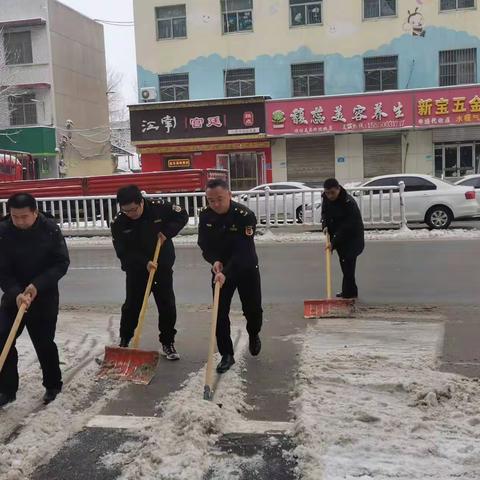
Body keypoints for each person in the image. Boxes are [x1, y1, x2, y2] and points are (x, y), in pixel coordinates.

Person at [0, 193, 70, 407]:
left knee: (43, 342)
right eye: (15, 217)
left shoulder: (49, 229)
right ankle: (7, 389)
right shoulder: (3, 232)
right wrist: (16, 292)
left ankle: (52, 385)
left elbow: (61, 263)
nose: (20, 221)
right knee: (3, 338)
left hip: (44, 294)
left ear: (35, 212)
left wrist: (37, 286)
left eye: (24, 216)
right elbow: (2, 270)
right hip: (14, 296)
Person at [111, 185, 188, 360]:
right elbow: (122, 251)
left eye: (133, 209)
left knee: (166, 304)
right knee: (132, 305)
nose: (130, 214)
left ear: (141, 202)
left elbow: (182, 215)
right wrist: (143, 263)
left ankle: (167, 342)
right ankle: (125, 340)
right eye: (125, 211)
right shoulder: (119, 222)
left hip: (162, 264)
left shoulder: (159, 208)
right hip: (137, 269)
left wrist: (167, 232)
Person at [198, 179, 262, 374]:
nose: (215, 204)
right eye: (211, 201)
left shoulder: (245, 216)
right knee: (219, 313)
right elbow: (204, 244)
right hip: (220, 272)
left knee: (252, 310)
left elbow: (242, 251)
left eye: (220, 199)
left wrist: (226, 271)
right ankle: (227, 354)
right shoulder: (206, 216)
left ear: (229, 195)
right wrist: (214, 260)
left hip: (245, 268)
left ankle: (253, 333)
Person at [321, 178, 365, 300]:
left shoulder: (348, 203)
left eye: (332, 193)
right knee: (345, 265)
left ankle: (349, 294)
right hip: (339, 238)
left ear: (338, 189)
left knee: (348, 267)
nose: (329, 196)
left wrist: (333, 243)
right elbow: (324, 212)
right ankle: (350, 292)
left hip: (352, 238)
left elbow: (346, 227)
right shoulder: (325, 197)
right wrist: (324, 225)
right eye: (327, 192)